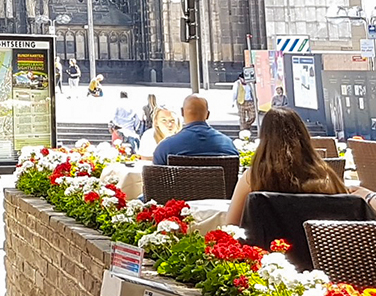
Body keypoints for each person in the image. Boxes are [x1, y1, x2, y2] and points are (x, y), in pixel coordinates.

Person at [224, 108, 375, 226]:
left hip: (270, 258)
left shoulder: (254, 177)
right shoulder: (326, 176)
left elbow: (231, 226)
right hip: (325, 258)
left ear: (264, 139)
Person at [152, 95, 240, 165]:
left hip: (182, 188)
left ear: (182, 112)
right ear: (208, 115)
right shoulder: (228, 145)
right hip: (221, 188)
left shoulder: (166, 147)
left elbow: (155, 180)